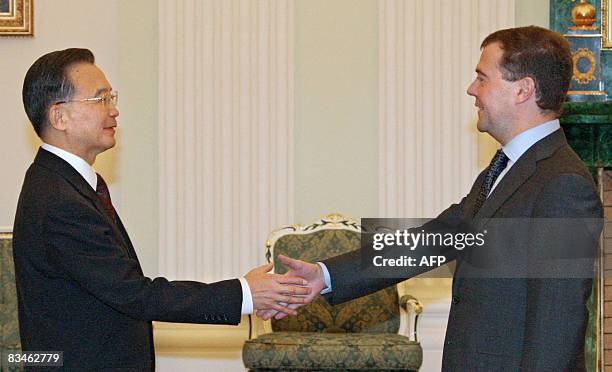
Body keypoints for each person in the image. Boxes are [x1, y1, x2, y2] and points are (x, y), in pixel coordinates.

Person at [259, 26, 603, 371]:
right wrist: (326, 274)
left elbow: (558, 320)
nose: (472, 90)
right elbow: (434, 239)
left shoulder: (563, 183)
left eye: (482, 78)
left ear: (522, 90)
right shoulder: (506, 169)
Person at [13, 48, 309, 370]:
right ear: (60, 117)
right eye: (100, 100)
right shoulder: (59, 200)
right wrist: (245, 294)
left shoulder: (65, 183)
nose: (114, 111)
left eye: (112, 98)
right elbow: (135, 295)